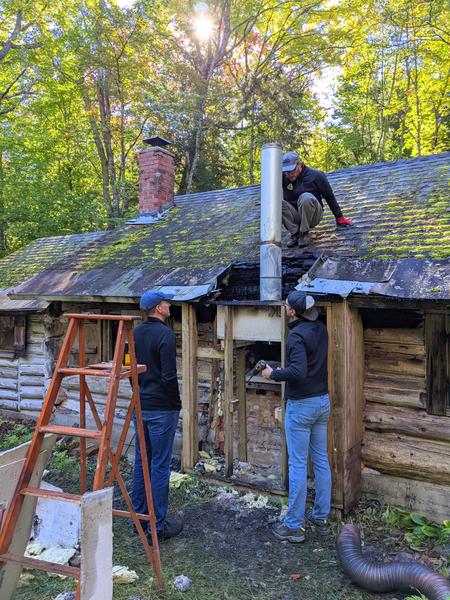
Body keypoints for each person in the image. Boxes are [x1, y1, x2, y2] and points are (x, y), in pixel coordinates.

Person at [261, 290, 331, 543]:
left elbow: (298, 371)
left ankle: (293, 525)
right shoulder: (320, 329)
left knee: (298, 464)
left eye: (287, 304)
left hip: (302, 406)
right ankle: (321, 517)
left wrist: (273, 374)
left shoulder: (296, 337)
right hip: (322, 401)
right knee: (321, 460)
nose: (285, 305)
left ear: (292, 312)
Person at [131, 289, 183, 541]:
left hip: (141, 405)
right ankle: (156, 527)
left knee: (142, 463)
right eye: (166, 302)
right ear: (157, 308)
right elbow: (169, 376)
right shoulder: (165, 335)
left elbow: (131, 370)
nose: (170, 305)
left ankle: (139, 521)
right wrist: (176, 403)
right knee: (160, 466)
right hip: (162, 408)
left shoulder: (135, 333)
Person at [282, 151, 352, 248]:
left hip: (313, 215)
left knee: (305, 196)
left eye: (291, 171)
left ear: (300, 164)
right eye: (286, 172)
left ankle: (304, 233)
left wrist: (339, 217)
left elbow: (329, 196)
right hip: (296, 215)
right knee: (276, 203)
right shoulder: (283, 178)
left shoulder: (316, 175)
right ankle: (295, 234)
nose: (289, 174)